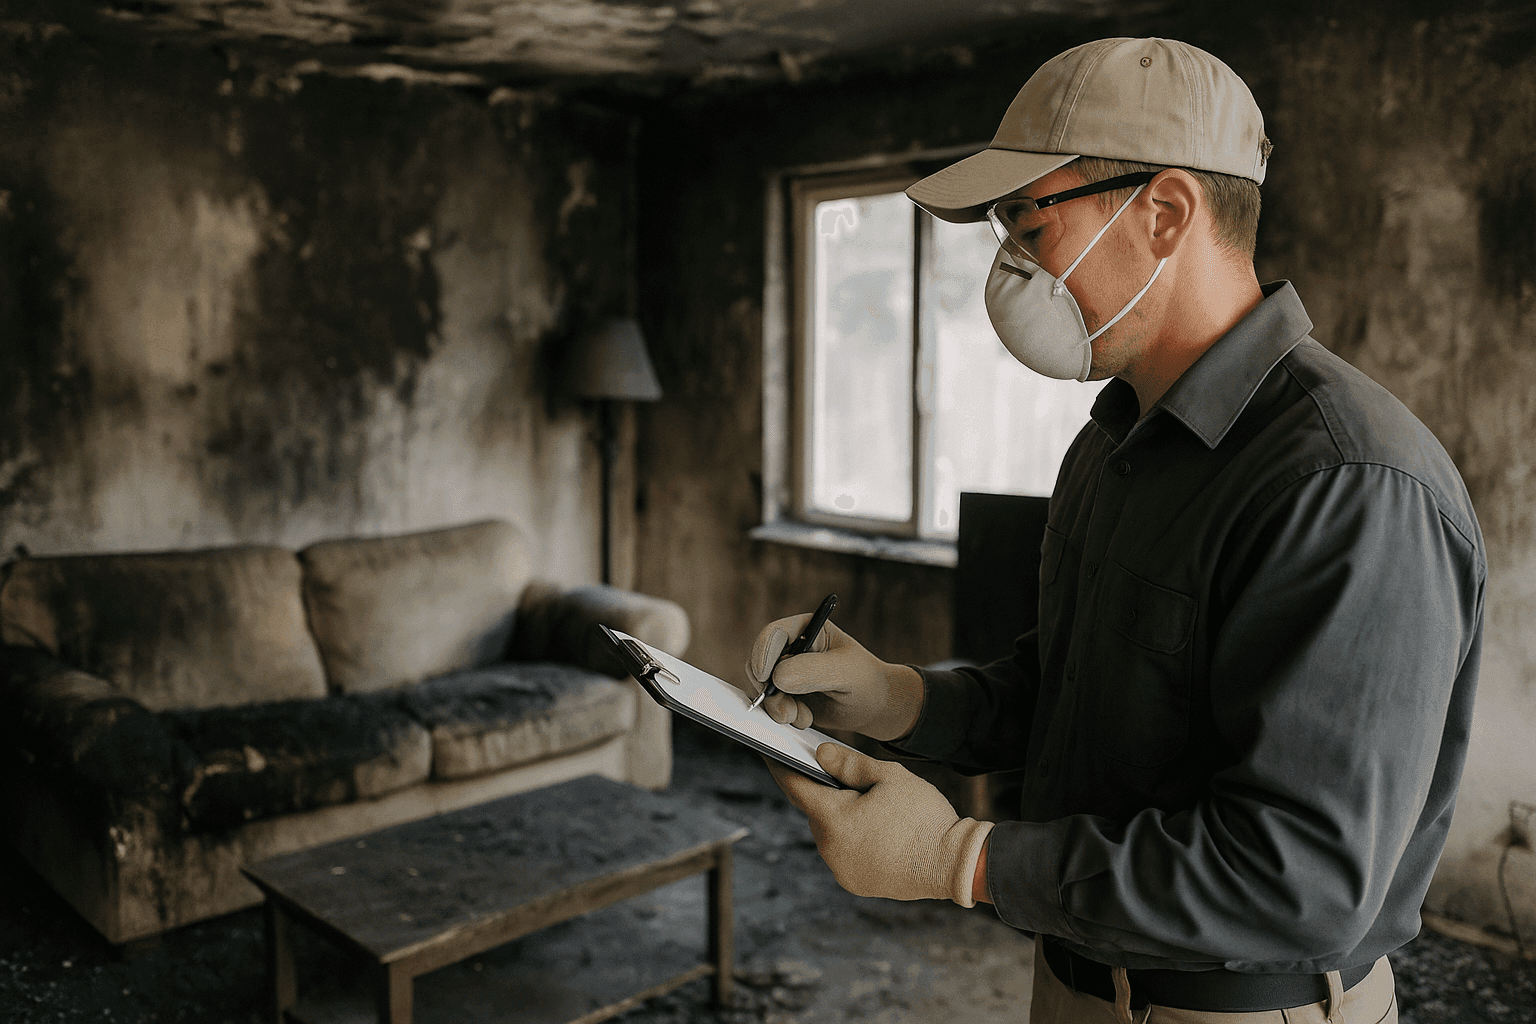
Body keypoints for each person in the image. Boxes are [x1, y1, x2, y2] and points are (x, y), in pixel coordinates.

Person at [746, 36, 1485, 1024]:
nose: (1009, 266)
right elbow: (1076, 694)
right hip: (1081, 979)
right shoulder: (1116, 439)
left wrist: (963, 860)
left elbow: (1298, 878)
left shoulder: (1345, 482)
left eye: (1028, 222)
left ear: (1166, 212)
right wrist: (896, 698)